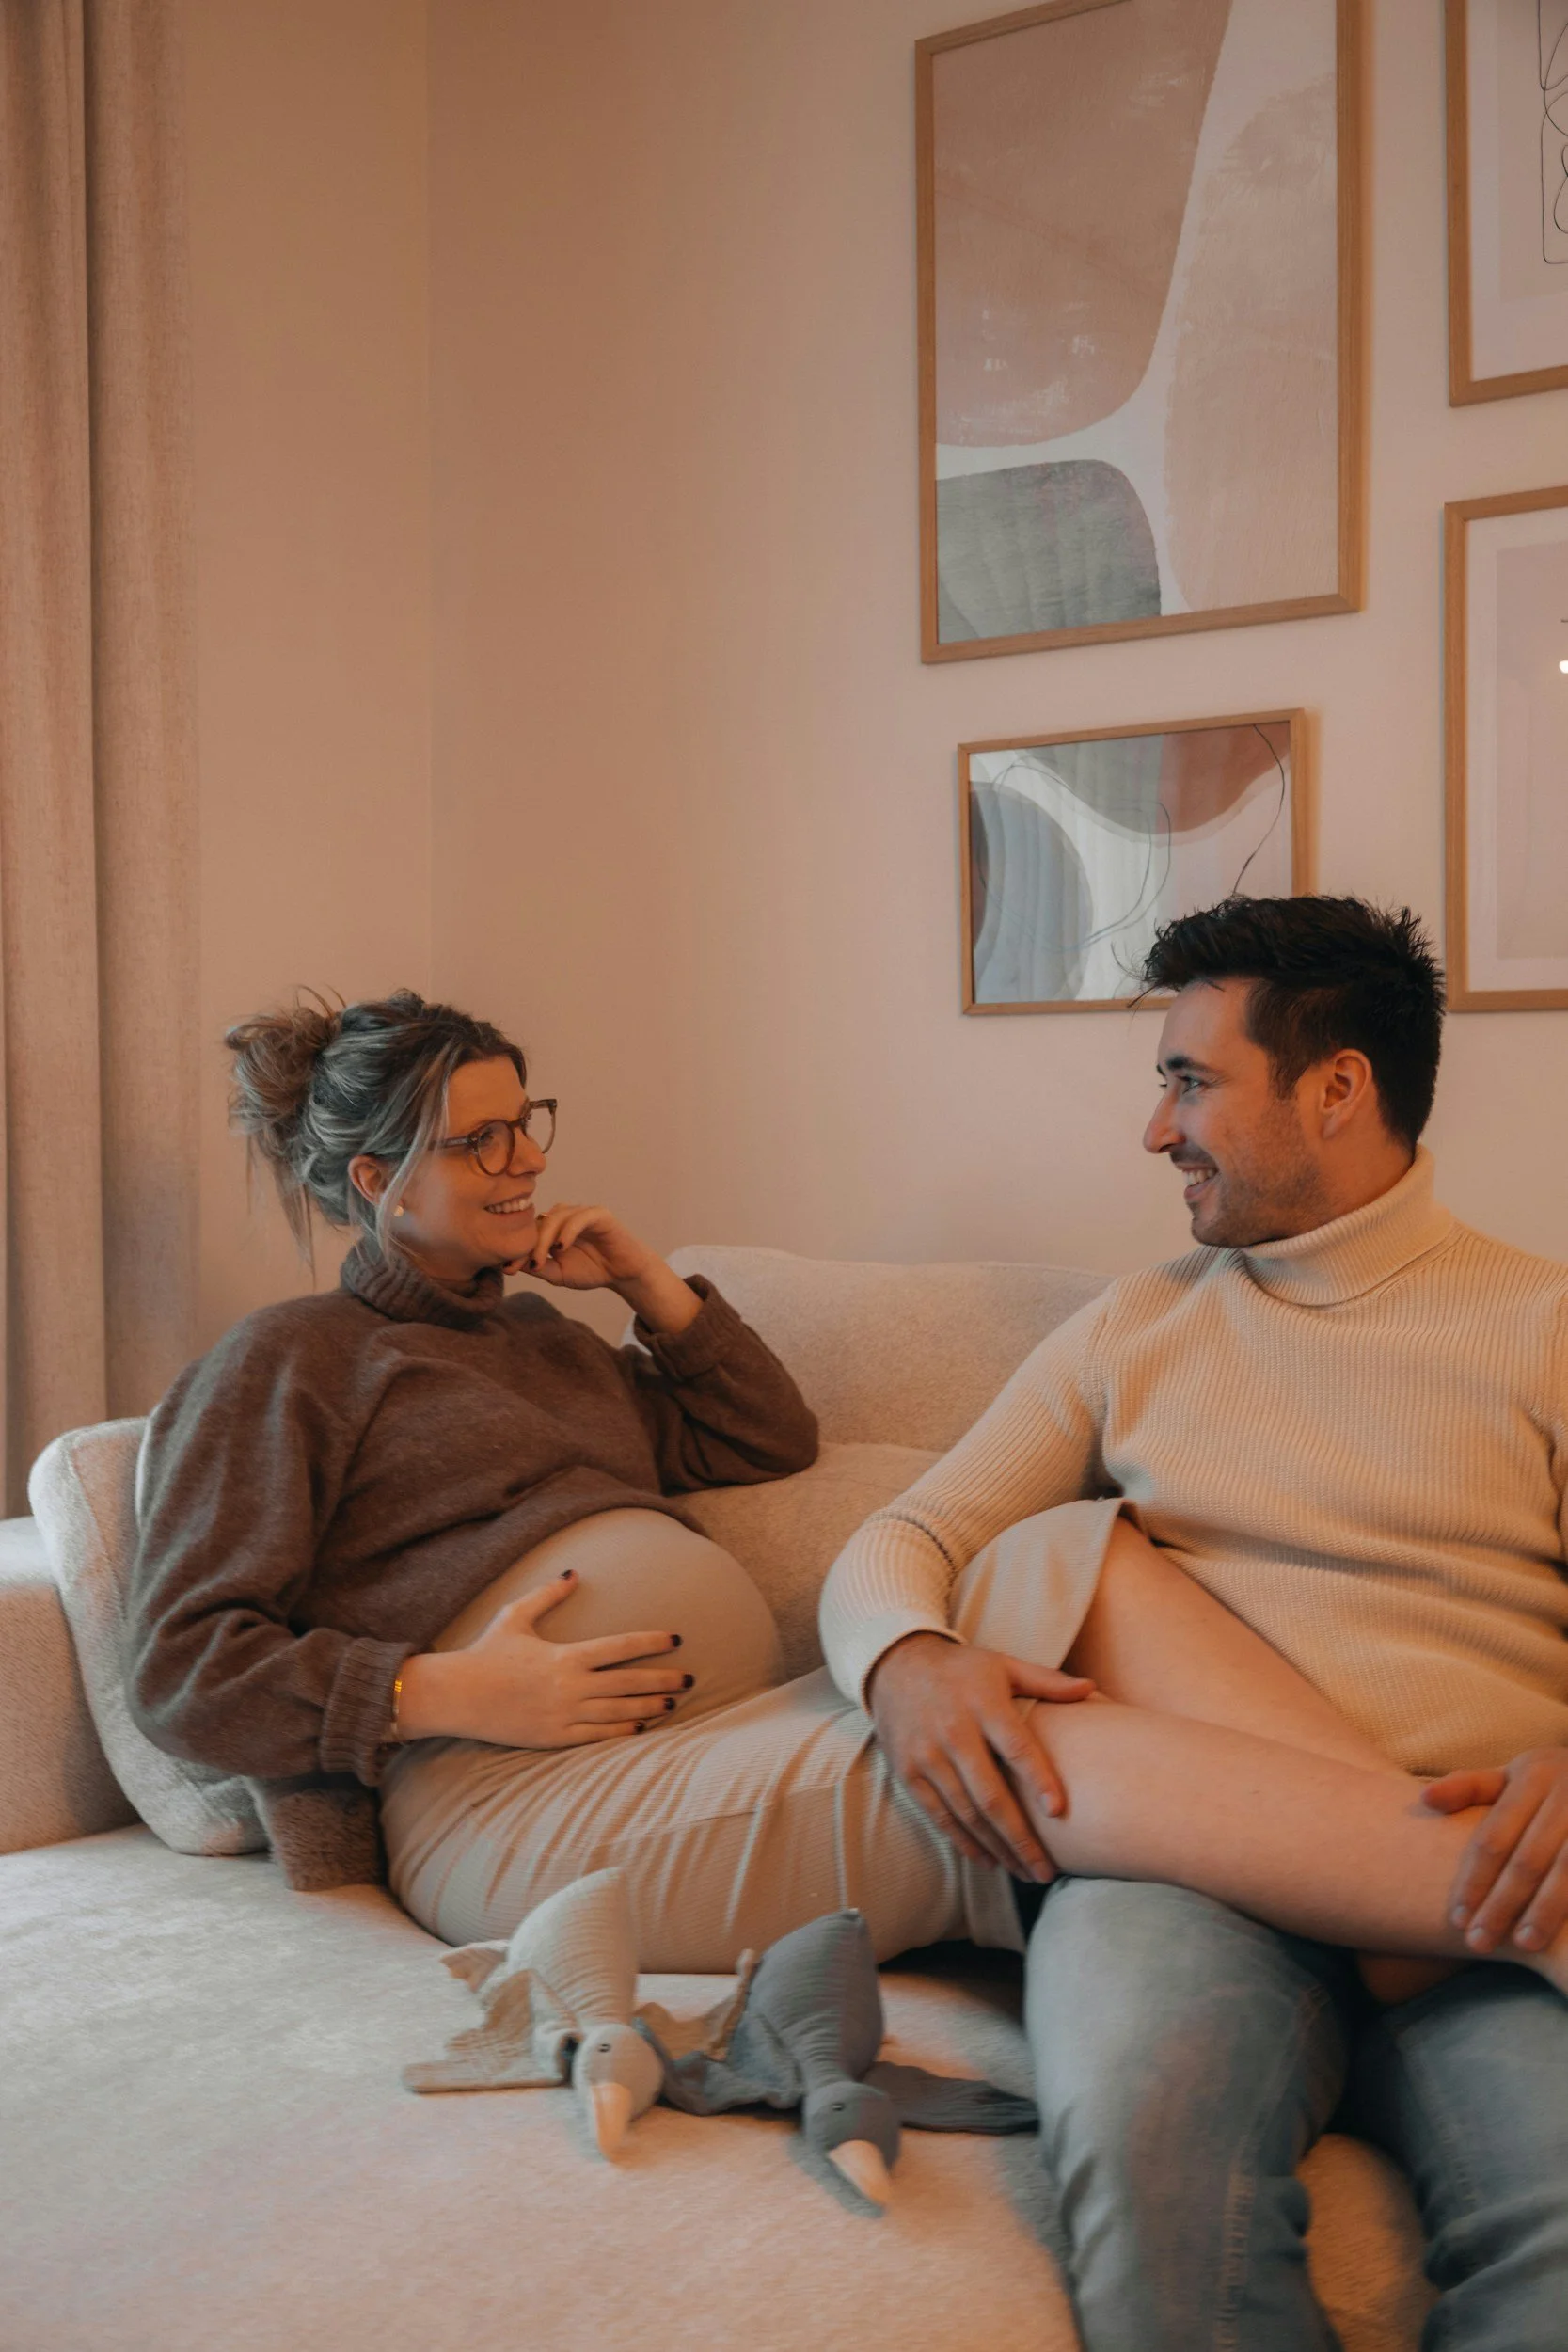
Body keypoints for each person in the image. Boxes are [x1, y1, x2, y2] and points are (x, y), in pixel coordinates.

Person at [129, 986, 1566, 2003]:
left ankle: (1410, 1901)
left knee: (1051, 1566)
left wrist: (644, 1286)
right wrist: (439, 1694)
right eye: (479, 1142)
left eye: (529, 1125)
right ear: (379, 1177)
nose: (528, 1163)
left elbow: (760, 1437)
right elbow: (184, 1666)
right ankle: (1490, 1909)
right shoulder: (288, 1363)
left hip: (702, 1743)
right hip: (507, 1805)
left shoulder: (537, 1338)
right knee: (976, 1747)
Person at [823, 896, 1568, 2351]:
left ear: (1334, 1087)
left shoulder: (1540, 1326)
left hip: (1483, 1887)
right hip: (1186, 1878)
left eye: (1187, 1079)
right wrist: (904, 1658)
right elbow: (905, 1536)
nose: (1153, 1132)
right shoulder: (1131, 1328)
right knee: (1151, 2165)